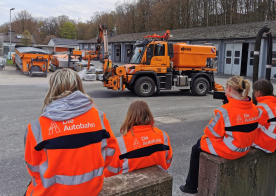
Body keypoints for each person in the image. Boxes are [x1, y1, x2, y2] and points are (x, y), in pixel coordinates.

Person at [24, 68, 117, 196]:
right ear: (79, 86)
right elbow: (110, 151)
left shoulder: (37, 127)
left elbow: (33, 168)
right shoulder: (99, 118)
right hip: (91, 189)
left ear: (53, 89)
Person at [180, 76, 260, 194]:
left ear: (228, 88)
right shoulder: (254, 107)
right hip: (246, 147)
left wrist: (225, 107)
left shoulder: (224, 110)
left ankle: (190, 186)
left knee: (196, 147)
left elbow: (210, 132)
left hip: (232, 150)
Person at [104, 100, 172, 177]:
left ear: (129, 117)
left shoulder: (120, 143)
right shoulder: (163, 135)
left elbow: (110, 173)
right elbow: (168, 161)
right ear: (149, 114)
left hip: (131, 186)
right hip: (160, 182)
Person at [252, 79, 276, 153]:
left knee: (241, 132)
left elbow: (252, 126)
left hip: (267, 143)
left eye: (253, 91)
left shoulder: (262, 107)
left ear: (258, 93)